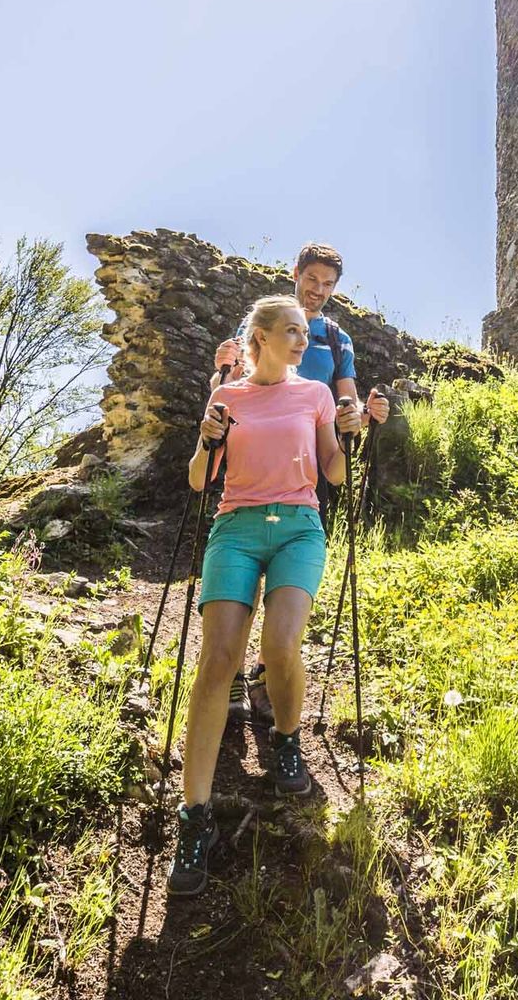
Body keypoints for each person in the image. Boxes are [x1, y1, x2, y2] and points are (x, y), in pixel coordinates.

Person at [169, 294, 367, 896]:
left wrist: (355, 430)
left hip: (300, 527)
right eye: (291, 330)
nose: (303, 339)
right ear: (259, 337)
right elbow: (201, 480)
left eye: (305, 332)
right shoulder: (227, 396)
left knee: (281, 645)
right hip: (235, 528)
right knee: (217, 661)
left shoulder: (316, 395)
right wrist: (206, 440)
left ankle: (285, 740)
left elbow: (334, 470)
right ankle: (194, 817)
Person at [212, 242, 388, 728]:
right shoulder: (269, 319)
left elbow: (345, 395)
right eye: (312, 279)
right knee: (241, 573)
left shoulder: (335, 337)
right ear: (296, 274)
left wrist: (355, 418)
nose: (318, 291)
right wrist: (219, 371)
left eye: (328, 284)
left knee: (288, 576)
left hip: (312, 461)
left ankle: (268, 677)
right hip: (253, 458)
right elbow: (227, 383)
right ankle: (229, 675)